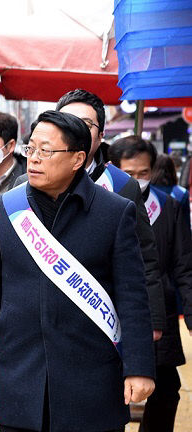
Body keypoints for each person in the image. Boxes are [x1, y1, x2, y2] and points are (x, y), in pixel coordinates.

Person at [0, 110, 155, 432]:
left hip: (92, 381)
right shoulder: (7, 207)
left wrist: (139, 367)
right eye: (31, 149)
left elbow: (133, 297)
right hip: (22, 375)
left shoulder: (114, 212)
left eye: (47, 151)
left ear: (78, 158)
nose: (35, 159)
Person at [14, 89, 166, 341]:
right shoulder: (23, 186)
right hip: (36, 322)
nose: (72, 128)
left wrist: (153, 320)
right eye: (64, 121)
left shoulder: (122, 185)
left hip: (100, 320)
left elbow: (145, 258)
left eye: (84, 124)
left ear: (101, 135)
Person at [108, 136, 192, 432]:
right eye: (129, 174)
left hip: (160, 315)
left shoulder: (169, 205)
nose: (138, 180)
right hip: (113, 313)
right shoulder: (103, 204)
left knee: (166, 388)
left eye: (144, 173)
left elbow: (184, 264)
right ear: (113, 169)